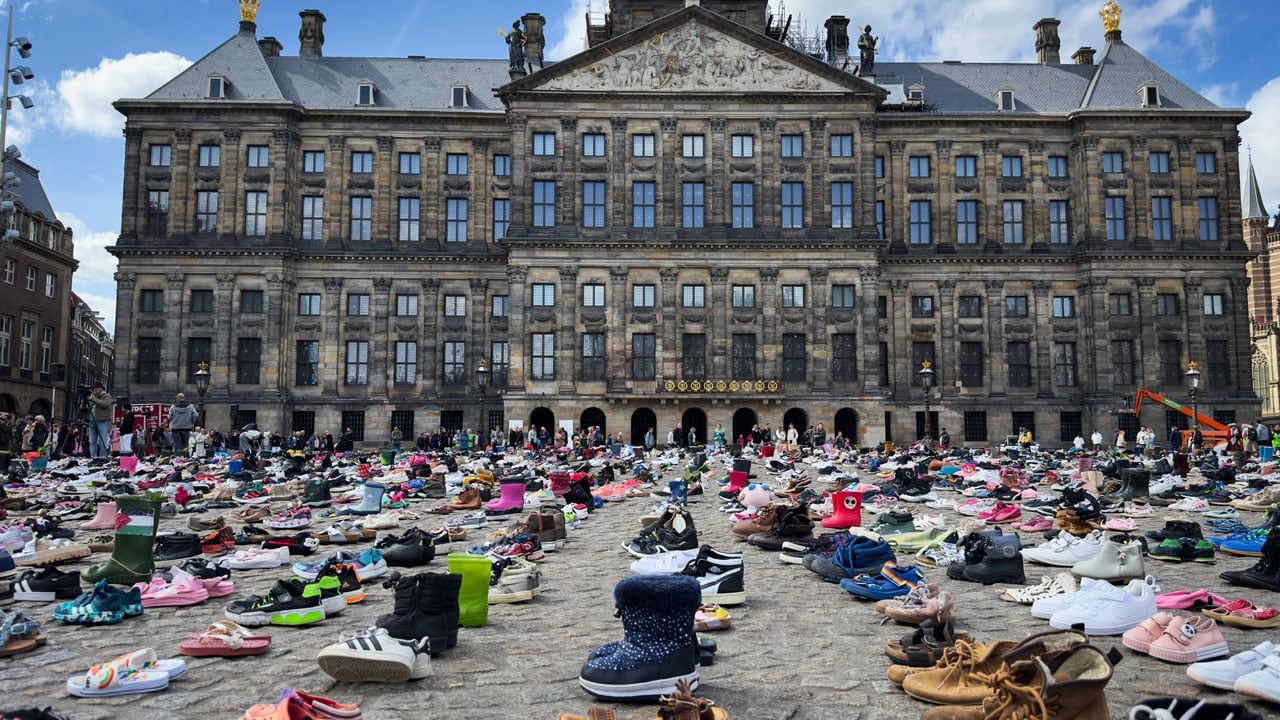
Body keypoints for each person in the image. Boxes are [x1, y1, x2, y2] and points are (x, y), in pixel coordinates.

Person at [86, 382, 114, 458]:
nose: (95, 389)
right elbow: (89, 407)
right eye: (94, 388)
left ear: (102, 388)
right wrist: (84, 406)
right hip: (92, 420)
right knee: (92, 441)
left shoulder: (106, 396)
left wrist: (93, 399)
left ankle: (102, 457)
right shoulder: (93, 397)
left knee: (102, 441)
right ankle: (93, 457)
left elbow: (105, 404)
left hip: (102, 420)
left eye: (97, 388)